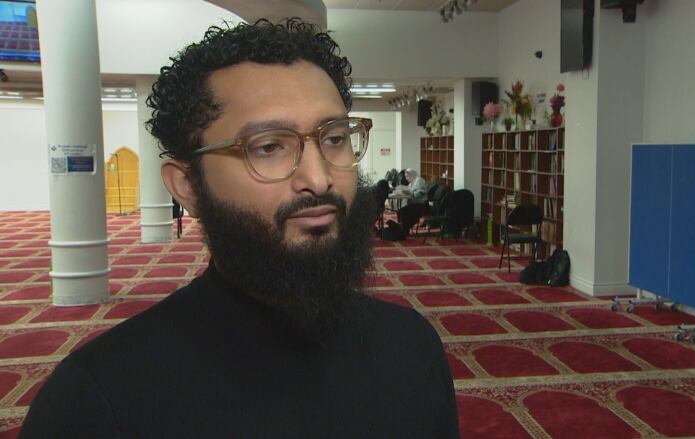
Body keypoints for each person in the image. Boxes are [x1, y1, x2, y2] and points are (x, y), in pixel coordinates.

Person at [20, 19, 459, 438]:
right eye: (268, 147)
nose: (320, 177)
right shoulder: (98, 399)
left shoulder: (411, 347)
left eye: (334, 138)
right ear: (187, 186)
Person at [396, 169, 428, 234]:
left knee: (403, 211)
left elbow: (419, 194)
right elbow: (410, 190)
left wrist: (409, 193)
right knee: (400, 211)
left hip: (421, 204)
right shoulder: (413, 182)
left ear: (412, 175)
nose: (406, 178)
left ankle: (404, 230)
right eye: (405, 176)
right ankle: (404, 229)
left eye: (407, 176)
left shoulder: (419, 181)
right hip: (415, 204)